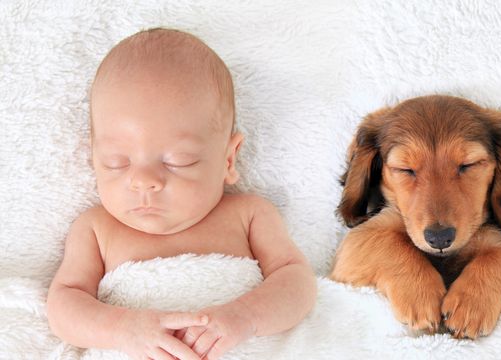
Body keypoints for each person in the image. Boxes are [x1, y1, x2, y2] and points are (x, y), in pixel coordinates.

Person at [47, 28, 317, 360]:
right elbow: (64, 306)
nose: (144, 181)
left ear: (228, 159)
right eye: (116, 162)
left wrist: (246, 316)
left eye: (179, 161)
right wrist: (122, 328)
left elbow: (298, 283)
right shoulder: (96, 229)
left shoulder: (249, 215)